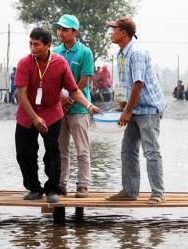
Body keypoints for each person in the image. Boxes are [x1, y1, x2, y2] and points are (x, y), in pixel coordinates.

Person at [14, 27, 101, 203]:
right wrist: (35, 118)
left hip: (51, 113)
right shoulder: (25, 63)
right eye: (30, 44)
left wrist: (89, 106)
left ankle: (53, 188)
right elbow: (21, 95)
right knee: (24, 152)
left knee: (53, 151)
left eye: (36, 44)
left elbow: (74, 90)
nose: (32, 48)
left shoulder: (60, 63)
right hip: (27, 113)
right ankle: (34, 188)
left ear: (48, 46)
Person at [105, 18, 166, 204]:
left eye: (113, 29)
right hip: (134, 107)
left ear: (123, 32)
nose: (111, 32)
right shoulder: (121, 54)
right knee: (128, 149)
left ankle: (158, 193)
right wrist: (121, 106)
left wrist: (127, 111)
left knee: (151, 150)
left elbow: (138, 84)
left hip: (148, 107)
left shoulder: (136, 52)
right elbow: (125, 84)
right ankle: (130, 191)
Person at [52, 14, 94, 198]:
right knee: (61, 149)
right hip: (58, 109)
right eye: (59, 29)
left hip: (78, 109)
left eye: (65, 30)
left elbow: (83, 81)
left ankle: (83, 185)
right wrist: (61, 102)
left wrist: (70, 100)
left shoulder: (85, 53)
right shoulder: (54, 52)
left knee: (82, 149)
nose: (61, 33)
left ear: (75, 32)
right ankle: (62, 184)